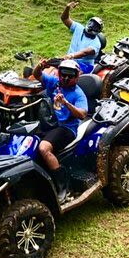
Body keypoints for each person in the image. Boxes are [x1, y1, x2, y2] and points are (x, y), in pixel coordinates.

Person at [33, 59, 88, 203]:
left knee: (44, 148)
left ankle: (63, 187)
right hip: (49, 123)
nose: (66, 78)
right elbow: (37, 74)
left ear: (77, 76)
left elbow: (82, 114)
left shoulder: (78, 94)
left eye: (70, 76)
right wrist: (40, 66)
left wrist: (66, 103)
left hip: (66, 128)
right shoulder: (54, 82)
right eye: (63, 74)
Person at [60, 2, 103, 74]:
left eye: (95, 26)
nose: (91, 26)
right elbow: (64, 18)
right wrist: (67, 8)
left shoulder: (96, 43)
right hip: (69, 61)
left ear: (98, 30)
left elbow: (84, 52)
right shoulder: (78, 28)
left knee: (71, 75)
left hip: (85, 66)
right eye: (91, 23)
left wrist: (71, 55)